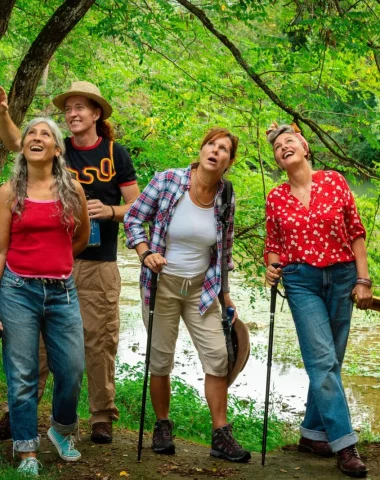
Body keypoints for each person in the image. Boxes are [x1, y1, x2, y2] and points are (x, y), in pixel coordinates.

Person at [0, 82, 140, 443]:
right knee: (40, 347)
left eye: (81, 108)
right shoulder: (55, 150)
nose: (73, 114)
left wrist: (109, 211)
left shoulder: (115, 153)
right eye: (69, 109)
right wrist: (2, 113)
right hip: (47, 266)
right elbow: (18, 141)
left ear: (96, 114)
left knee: (97, 341)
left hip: (97, 261)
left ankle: (101, 416)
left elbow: (138, 208)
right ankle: (21, 417)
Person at [124, 128, 251, 463]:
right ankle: (163, 425)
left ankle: (220, 435)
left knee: (218, 357)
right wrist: (144, 252)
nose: (215, 151)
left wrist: (226, 295)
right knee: (160, 358)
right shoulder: (168, 180)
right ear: (201, 149)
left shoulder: (227, 195)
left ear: (229, 161)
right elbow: (134, 219)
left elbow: (225, 249)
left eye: (223, 149)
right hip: (161, 283)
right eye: (211, 144)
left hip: (202, 288)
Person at [264, 123, 372, 478]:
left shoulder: (335, 181)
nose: (284, 147)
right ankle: (345, 444)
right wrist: (271, 268)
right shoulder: (276, 197)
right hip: (301, 282)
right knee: (322, 360)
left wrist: (363, 279)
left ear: (305, 146)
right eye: (278, 147)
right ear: (278, 160)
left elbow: (356, 232)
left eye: (289, 141)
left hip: (342, 277)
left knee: (331, 363)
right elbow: (274, 246)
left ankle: (312, 435)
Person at [0, 118, 90, 476]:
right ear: (24, 147)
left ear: (56, 148)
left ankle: (60, 429)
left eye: (45, 134)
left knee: (71, 369)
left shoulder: (73, 189)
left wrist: (60, 262)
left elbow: (82, 237)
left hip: (62, 291)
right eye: (32, 134)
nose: (37, 138)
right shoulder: (8, 192)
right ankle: (26, 451)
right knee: (22, 374)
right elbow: (1, 250)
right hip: (18, 289)